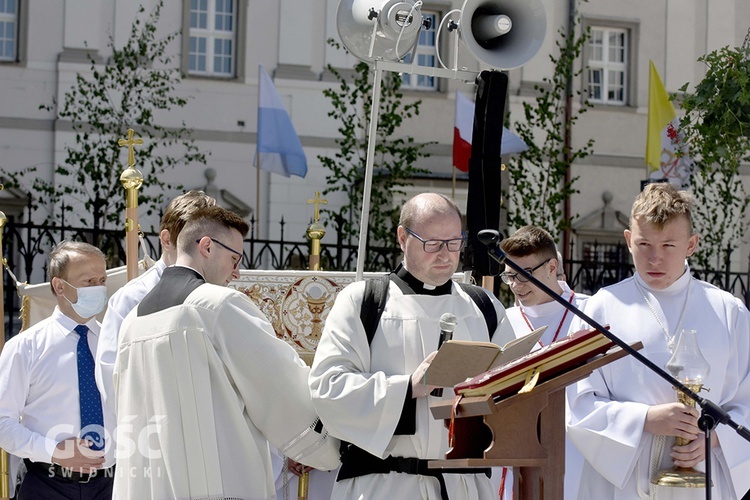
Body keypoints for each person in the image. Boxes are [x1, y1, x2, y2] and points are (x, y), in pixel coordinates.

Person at [113, 205, 339, 499]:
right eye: (234, 259)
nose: (237, 272)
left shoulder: (133, 321)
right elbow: (278, 387)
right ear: (206, 246)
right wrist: (332, 442)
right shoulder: (218, 306)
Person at [309, 192, 516, 500]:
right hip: (385, 485)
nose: (446, 255)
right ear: (403, 237)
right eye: (433, 243)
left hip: (464, 487)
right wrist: (407, 388)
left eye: (455, 242)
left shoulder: (483, 307)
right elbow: (327, 388)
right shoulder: (365, 301)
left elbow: (511, 390)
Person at [567, 182, 750, 499]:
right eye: (644, 245)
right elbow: (577, 401)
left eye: (668, 246)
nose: (655, 259)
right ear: (628, 240)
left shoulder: (727, 311)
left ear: (691, 244)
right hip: (624, 482)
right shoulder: (601, 308)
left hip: (705, 470)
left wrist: (715, 436)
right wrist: (645, 420)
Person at [94, 189, 216, 468]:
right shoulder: (132, 298)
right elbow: (111, 373)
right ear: (167, 239)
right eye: (197, 241)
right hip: (150, 443)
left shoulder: (215, 296)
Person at [0, 241, 113, 499]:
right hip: (47, 484)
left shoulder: (115, 342)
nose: (98, 288)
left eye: (102, 279)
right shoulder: (25, 347)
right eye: (88, 282)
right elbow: (2, 423)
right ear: (59, 286)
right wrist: (54, 450)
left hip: (111, 485)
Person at [498, 225, 589, 499]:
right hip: (517, 444)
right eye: (509, 275)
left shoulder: (588, 312)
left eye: (524, 275)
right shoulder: (504, 320)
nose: (515, 285)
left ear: (552, 267)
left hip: (575, 448)